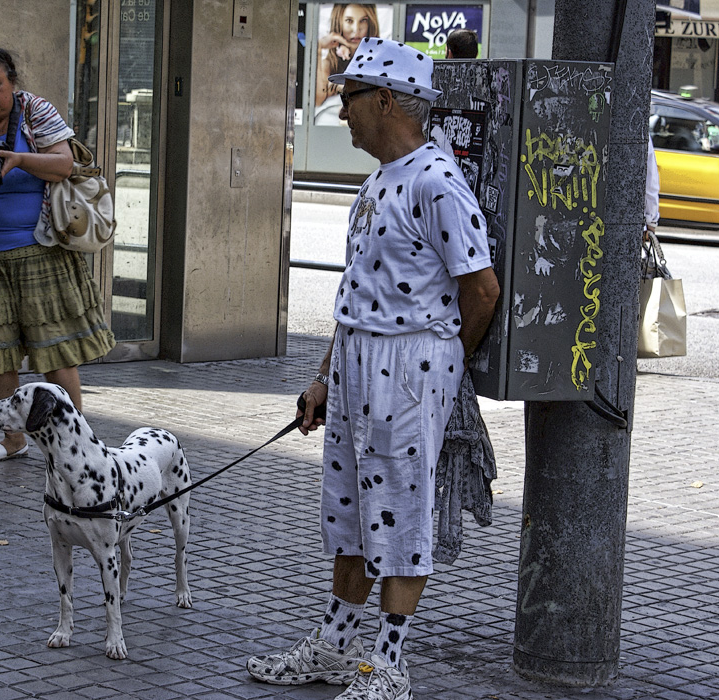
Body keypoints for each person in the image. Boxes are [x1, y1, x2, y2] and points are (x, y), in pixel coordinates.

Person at [247, 38, 500, 699]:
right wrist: (327, 374)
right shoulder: (380, 180)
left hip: (411, 365)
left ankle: (385, 666)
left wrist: (442, 366)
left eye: (349, 99)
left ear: (386, 100)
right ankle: (335, 648)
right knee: (354, 513)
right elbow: (361, 288)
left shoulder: (436, 184)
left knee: (400, 512)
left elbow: (482, 291)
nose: (342, 113)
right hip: (360, 361)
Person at [0, 46, 115, 462]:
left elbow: (65, 164)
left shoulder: (36, 112)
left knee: (55, 350)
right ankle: (12, 440)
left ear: (12, 81)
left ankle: (73, 442)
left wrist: (18, 159)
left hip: (41, 252)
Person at [316, 4, 380, 108]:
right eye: (349, 21)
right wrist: (318, 48)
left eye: (363, 20)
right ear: (338, 23)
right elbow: (317, 102)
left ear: (370, 24)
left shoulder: (380, 61)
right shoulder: (328, 64)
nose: (356, 30)